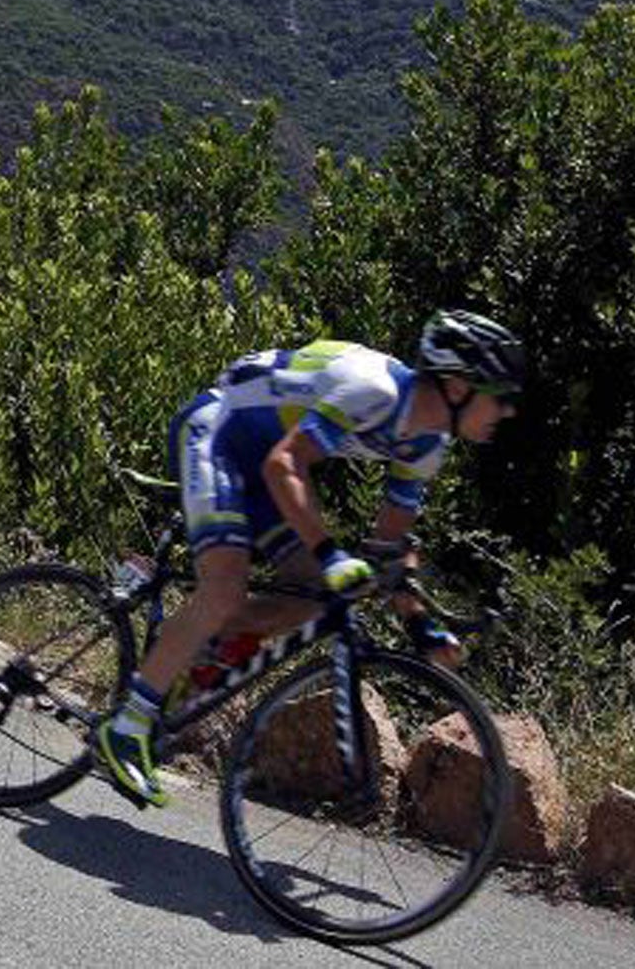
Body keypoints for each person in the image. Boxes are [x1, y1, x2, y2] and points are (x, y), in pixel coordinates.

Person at [94, 310, 527, 808]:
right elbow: (285, 464)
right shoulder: (375, 391)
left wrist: (421, 624)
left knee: (315, 597)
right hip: (217, 434)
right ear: (456, 385)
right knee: (226, 589)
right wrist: (329, 551)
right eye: (501, 396)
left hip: (261, 468)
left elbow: (390, 545)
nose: (508, 411)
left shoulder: (428, 441)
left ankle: (189, 656)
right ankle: (128, 726)